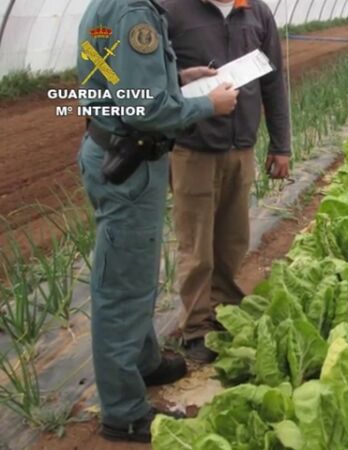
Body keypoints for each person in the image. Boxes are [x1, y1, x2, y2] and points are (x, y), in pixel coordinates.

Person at [76, 0, 238, 442]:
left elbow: (119, 77)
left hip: (116, 152)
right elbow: (145, 110)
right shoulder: (135, 14)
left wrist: (177, 79)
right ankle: (124, 412)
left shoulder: (112, 6)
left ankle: (143, 361)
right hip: (129, 161)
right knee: (123, 288)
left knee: (136, 272)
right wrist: (208, 105)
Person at [161, 0, 292, 363]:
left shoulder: (256, 12)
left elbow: (273, 82)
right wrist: (182, 78)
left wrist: (281, 145)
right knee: (196, 244)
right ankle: (196, 327)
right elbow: (152, 75)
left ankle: (226, 309)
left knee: (232, 238)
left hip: (241, 147)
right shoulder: (173, 11)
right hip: (193, 148)